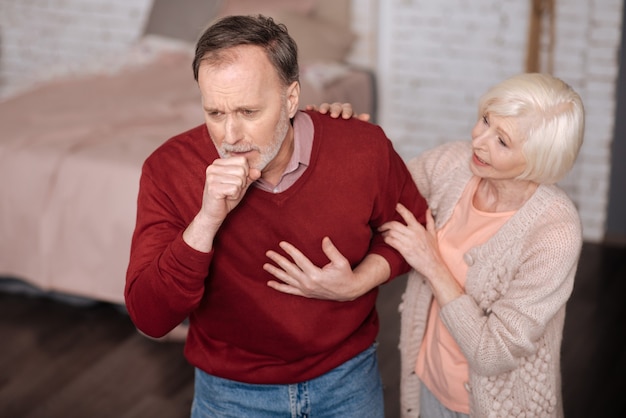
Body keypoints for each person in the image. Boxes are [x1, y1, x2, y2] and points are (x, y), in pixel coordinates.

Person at [124, 14, 428, 418]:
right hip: (230, 394)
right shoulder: (168, 170)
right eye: (215, 113)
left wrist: (357, 283)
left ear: (290, 99)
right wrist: (207, 220)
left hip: (346, 380)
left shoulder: (362, 147)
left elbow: (412, 227)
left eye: (249, 111)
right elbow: (150, 316)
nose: (230, 137)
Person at [374, 73, 584, 417]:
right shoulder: (451, 164)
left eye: (502, 141)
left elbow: (493, 353)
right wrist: (344, 136)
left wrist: (432, 263)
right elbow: (380, 195)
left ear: (538, 160)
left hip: (499, 408)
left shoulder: (554, 232)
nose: (478, 141)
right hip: (428, 384)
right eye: (485, 120)